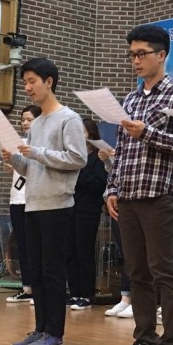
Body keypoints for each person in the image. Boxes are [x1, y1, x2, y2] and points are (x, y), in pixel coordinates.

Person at [107, 24, 173, 345]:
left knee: (163, 271)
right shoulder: (130, 99)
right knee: (136, 271)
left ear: (162, 54)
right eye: (132, 55)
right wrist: (111, 188)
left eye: (142, 54)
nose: (136, 60)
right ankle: (144, 338)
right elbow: (121, 150)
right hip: (128, 195)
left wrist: (148, 133)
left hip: (159, 196)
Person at [3, 57, 87, 345]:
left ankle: (55, 333)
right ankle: (40, 329)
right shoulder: (37, 123)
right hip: (33, 204)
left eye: (32, 82)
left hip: (57, 205)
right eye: (25, 82)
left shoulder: (69, 119)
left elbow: (78, 158)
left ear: (49, 82)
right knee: (36, 270)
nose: (27, 88)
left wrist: (36, 152)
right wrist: (16, 160)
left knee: (52, 271)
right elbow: (33, 168)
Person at [67, 118, 108, 310]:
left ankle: (86, 294)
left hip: (88, 209)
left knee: (85, 251)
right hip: (71, 207)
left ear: (91, 134)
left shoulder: (97, 157)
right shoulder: (74, 156)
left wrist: (78, 177)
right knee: (71, 251)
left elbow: (99, 185)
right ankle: (74, 291)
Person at [5, 104, 41, 304]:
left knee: (35, 245)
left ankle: (38, 288)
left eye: (29, 119)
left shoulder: (40, 144)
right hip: (17, 198)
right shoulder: (17, 143)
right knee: (22, 245)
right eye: (23, 120)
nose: (25, 123)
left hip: (33, 199)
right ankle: (27, 288)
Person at [99, 147, 133, 318]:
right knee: (125, 253)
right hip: (120, 199)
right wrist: (107, 160)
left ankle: (138, 299)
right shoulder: (124, 140)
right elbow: (114, 171)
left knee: (138, 254)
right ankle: (125, 298)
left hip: (142, 198)